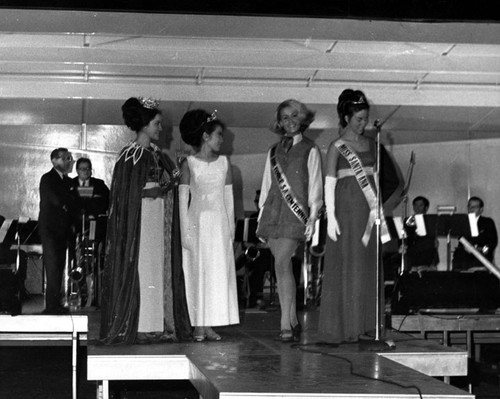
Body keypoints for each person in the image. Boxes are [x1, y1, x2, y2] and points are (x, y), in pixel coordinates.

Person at [100, 97, 191, 345]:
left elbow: (171, 177)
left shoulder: (155, 153)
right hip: (140, 221)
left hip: (156, 218)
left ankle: (155, 325)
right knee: (142, 269)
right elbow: (124, 194)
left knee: (155, 269)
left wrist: (179, 167)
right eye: (157, 124)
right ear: (144, 124)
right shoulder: (130, 155)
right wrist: (150, 191)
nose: (160, 129)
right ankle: (139, 325)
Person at [319, 89, 402, 344]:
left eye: (365, 119)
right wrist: (330, 218)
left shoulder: (371, 144)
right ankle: (345, 328)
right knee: (347, 267)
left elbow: (385, 178)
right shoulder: (336, 147)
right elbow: (329, 184)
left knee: (367, 267)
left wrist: (380, 204)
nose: (363, 124)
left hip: (368, 213)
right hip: (345, 212)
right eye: (358, 119)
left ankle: (367, 326)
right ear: (345, 118)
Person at [256, 99, 323, 343]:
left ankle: (285, 323)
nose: (290, 121)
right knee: (281, 267)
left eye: (295, 115)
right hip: (273, 214)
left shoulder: (310, 149)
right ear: (279, 122)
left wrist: (313, 218)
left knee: (281, 264)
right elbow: (266, 185)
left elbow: (315, 187)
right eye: (285, 117)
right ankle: (293, 320)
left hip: (295, 215)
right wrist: (260, 220)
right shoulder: (272, 151)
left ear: (303, 118)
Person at [178, 109, 239, 342]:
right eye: (218, 135)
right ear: (205, 136)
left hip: (219, 225)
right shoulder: (189, 164)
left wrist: (230, 231)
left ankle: (211, 324)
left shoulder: (225, 163)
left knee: (216, 273)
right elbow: (183, 200)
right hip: (197, 224)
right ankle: (198, 325)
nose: (221, 139)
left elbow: (229, 201)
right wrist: (185, 233)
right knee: (197, 272)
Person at [38, 148, 76, 315]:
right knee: (53, 267)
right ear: (54, 161)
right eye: (66, 158)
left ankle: (55, 303)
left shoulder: (68, 182)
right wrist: (67, 206)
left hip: (62, 231)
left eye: (70, 158)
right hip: (50, 230)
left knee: (59, 266)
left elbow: (73, 201)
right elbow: (55, 200)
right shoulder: (47, 179)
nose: (69, 161)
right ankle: (51, 306)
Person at [453, 196, 498, 270]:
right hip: (463, 259)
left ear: (481, 209)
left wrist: (480, 249)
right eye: (469, 206)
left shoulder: (488, 222)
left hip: (481, 257)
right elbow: (460, 242)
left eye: (474, 207)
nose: (471, 209)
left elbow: (492, 243)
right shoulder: (463, 222)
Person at [405, 196, 439, 271]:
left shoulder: (430, 221)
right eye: (415, 205)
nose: (417, 208)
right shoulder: (409, 221)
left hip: (426, 257)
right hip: (412, 256)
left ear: (426, 208)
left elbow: (432, 242)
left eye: (420, 205)